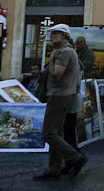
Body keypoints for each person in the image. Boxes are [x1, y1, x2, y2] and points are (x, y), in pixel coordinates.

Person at [34, 24, 87, 180]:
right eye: (52, 33)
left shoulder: (65, 52)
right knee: (56, 133)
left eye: (55, 33)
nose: (52, 36)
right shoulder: (66, 51)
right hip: (62, 95)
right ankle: (54, 167)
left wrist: (50, 60)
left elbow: (57, 74)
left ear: (64, 35)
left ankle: (75, 157)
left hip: (59, 95)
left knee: (49, 133)